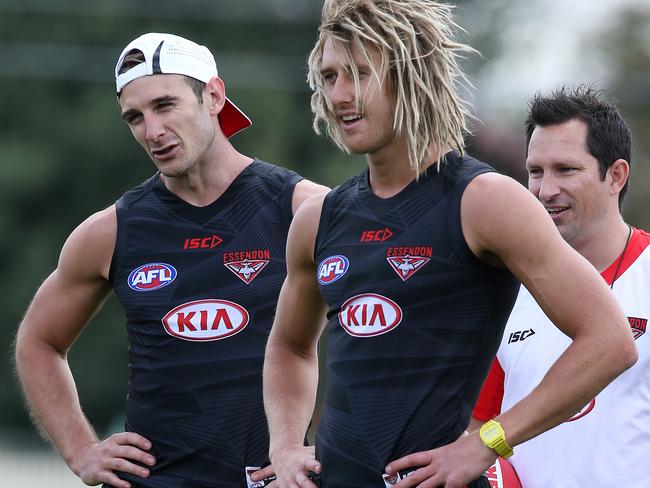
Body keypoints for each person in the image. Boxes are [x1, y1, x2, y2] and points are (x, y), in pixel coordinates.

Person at [258, 2, 638, 488]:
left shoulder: (485, 201)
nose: (339, 95)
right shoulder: (318, 218)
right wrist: (286, 446)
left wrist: (488, 443)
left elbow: (610, 340)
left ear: (410, 74)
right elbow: (289, 347)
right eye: (329, 77)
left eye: (358, 74)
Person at [14, 32, 327, 488]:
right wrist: (82, 450)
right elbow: (37, 342)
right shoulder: (111, 231)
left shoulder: (303, 209)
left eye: (165, 105)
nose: (152, 131)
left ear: (213, 96)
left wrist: (327, 449)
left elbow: (390, 333)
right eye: (134, 118)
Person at [471, 86, 650, 487]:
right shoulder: (503, 291)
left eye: (565, 170)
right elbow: (475, 428)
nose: (545, 190)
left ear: (616, 175)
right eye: (535, 171)